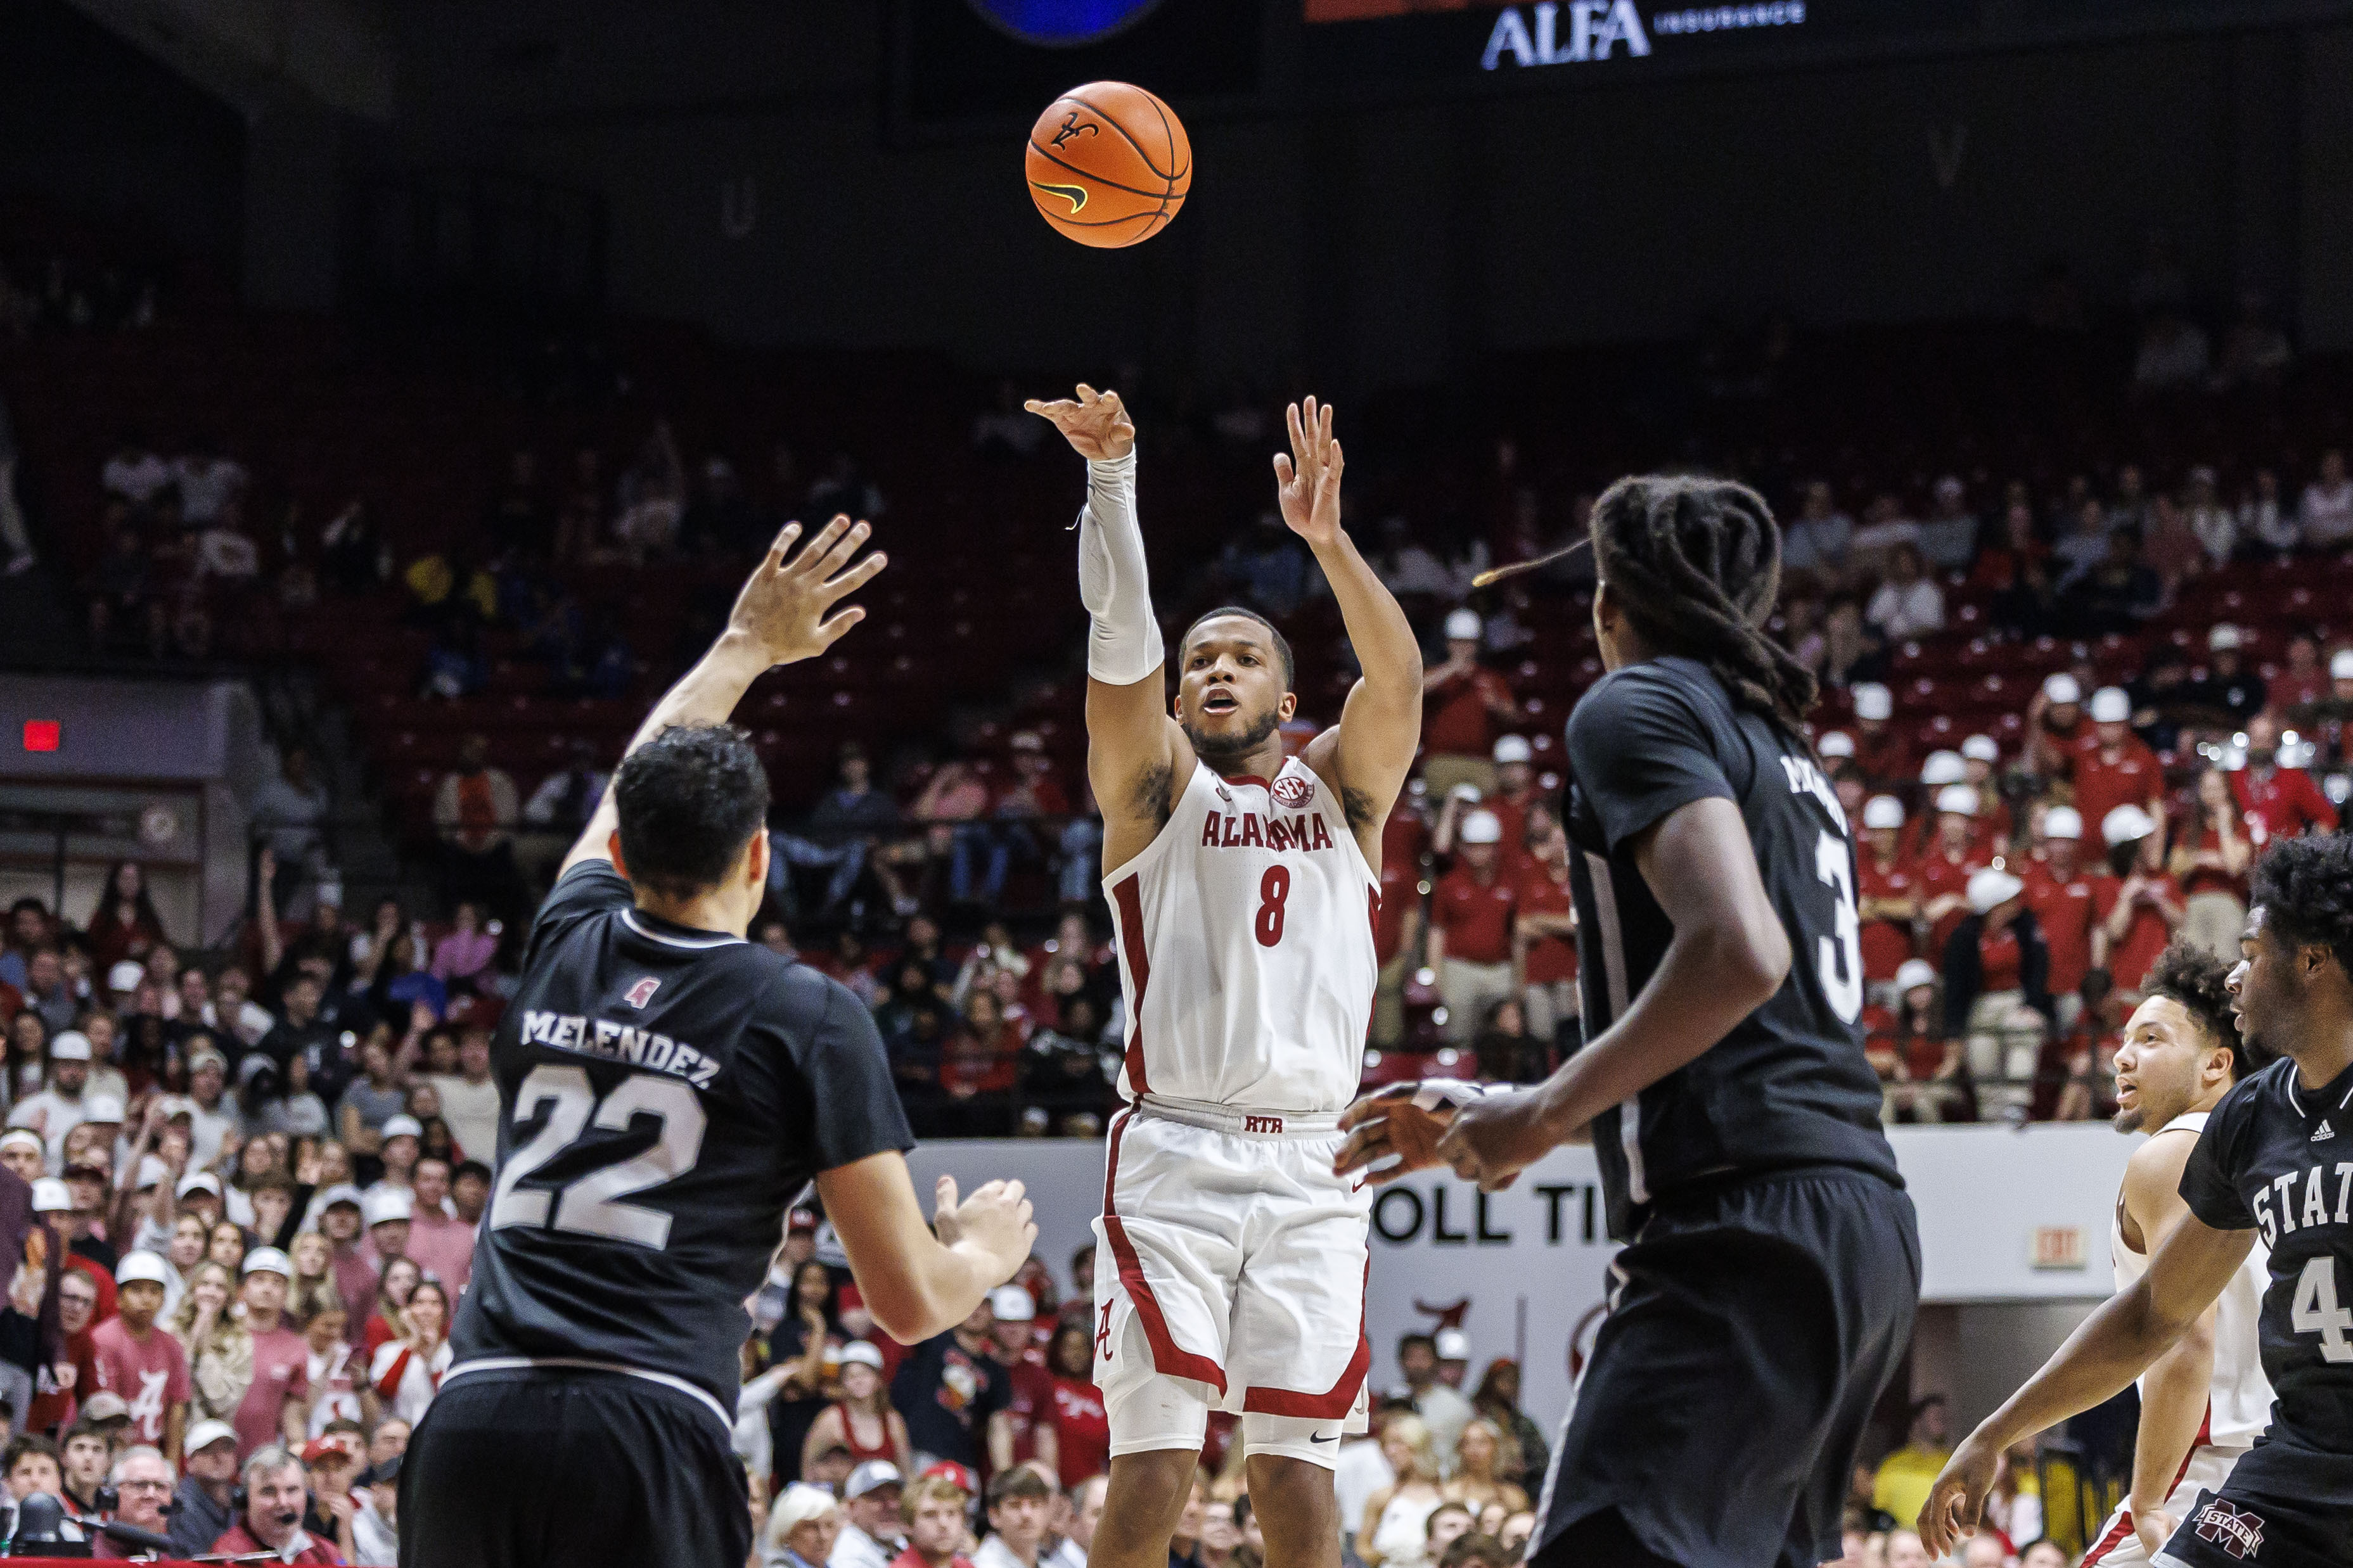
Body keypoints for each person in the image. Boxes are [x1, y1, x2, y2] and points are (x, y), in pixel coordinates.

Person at [399, 519, 1035, 1568]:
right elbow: (910, 1302)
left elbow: (628, 787)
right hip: (646, 1421)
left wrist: (741, 646)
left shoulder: (565, 939)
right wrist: (982, 1254)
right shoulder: (806, 1012)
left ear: (620, 850)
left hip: (475, 1419)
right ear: (760, 856)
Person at [1342, 475, 1919, 1568]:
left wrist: (1538, 1116)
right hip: (1858, 1222)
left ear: (1610, 602)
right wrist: (1513, 1107)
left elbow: (1738, 955)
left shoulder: (1635, 705)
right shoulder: (1779, 745)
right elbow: (1741, 1022)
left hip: (1740, 1231)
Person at [1026, 388, 1422, 1568]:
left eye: (1243, 657)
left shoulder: (1341, 793)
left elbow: (1397, 685)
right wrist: (1112, 483)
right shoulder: (1153, 793)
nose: (1214, 670)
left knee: (1297, 1488)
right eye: (1200, 659)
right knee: (1153, 1472)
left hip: (1315, 1159)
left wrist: (1328, 543)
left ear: (1286, 700)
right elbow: (1117, 658)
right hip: (1178, 1153)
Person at [1921, 833, 2353, 1568]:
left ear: (2311, 960)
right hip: (2294, 1466)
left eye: (2250, 956)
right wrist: (1992, 1431)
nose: (2234, 981)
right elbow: (2160, 1313)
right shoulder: (2250, 1117)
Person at [2069, 942, 2274, 1567]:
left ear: (2216, 1063)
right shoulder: (2279, 1152)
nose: (2122, 1056)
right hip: (2287, 1465)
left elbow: (2184, 1339)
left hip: (2204, 1466)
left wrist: (2147, 1498)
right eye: (2123, 1038)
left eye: (2151, 1039)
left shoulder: (2174, 1152)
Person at [89, 1251, 188, 1463]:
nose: (146, 1298)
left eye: (154, 1291)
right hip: (110, 1454)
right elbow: (105, 1408)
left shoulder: (172, 1346)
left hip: (153, 1454)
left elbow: (177, 1410)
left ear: (163, 1298)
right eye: (136, 1290)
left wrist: (170, 1464)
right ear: (119, 1298)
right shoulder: (104, 1339)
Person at [210, 1445, 340, 1563]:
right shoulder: (229, 1557)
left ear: (308, 1497)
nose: (283, 1502)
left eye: (292, 1490)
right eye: (268, 1492)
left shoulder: (326, 1552)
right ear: (245, 1500)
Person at [1357, 1414, 1446, 1568]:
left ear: (1418, 1442)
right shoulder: (1382, 1497)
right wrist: (1387, 1554)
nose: (1390, 1451)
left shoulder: (1446, 1495)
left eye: (1398, 1442)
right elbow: (1362, 1548)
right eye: (1386, 1445)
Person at [91, 1444, 177, 1560]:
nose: (151, 1494)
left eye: (160, 1486)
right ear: (113, 1496)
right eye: (140, 1485)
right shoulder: (91, 1555)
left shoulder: (174, 1550)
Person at [892, 1472, 979, 1568]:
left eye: (951, 1513)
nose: (944, 1523)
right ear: (907, 1525)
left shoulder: (965, 1565)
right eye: (930, 1515)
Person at [975, 1465, 1055, 1568]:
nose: (1027, 1514)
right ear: (994, 1515)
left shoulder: (1050, 1565)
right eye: (1015, 1505)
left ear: (1046, 1512)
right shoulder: (983, 1565)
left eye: (1035, 1504)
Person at [833, 1460, 906, 1568]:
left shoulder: (901, 1541)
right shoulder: (847, 1557)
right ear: (852, 1506)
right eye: (878, 1498)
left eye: (896, 1497)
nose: (891, 1506)